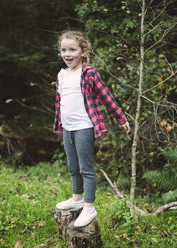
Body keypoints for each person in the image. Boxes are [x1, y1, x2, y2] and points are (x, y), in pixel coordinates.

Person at [53, 30, 130, 227]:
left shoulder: (89, 73)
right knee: (73, 166)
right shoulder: (61, 75)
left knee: (86, 168)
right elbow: (61, 102)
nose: (67, 54)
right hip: (67, 127)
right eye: (63, 50)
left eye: (72, 50)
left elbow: (107, 97)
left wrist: (121, 119)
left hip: (84, 127)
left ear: (83, 51)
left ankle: (89, 207)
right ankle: (77, 198)